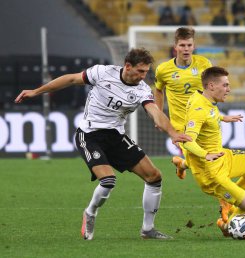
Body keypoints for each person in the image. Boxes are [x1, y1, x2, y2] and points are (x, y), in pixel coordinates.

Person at [14, 48, 191, 240]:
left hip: (116, 137)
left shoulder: (142, 90)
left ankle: (148, 230)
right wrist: (36, 91)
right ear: (128, 66)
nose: (143, 76)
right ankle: (90, 213)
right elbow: (71, 79)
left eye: (146, 71)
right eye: (140, 71)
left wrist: (173, 133)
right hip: (89, 135)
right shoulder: (102, 72)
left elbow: (156, 113)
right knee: (108, 181)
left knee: (154, 176)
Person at [182, 66, 245, 237]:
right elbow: (188, 141)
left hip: (223, 156)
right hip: (212, 172)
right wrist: (205, 154)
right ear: (211, 86)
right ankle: (226, 224)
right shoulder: (198, 108)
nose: (228, 89)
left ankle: (227, 201)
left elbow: (209, 115)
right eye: (225, 85)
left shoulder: (204, 98)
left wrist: (223, 118)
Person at [154, 27, 212, 180]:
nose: (186, 49)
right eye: (182, 45)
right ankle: (224, 201)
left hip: (203, 120)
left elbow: (212, 88)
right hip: (180, 125)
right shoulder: (163, 70)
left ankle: (182, 164)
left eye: (189, 45)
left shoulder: (204, 64)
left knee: (208, 160)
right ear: (175, 47)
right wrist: (158, 115)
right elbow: (158, 90)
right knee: (204, 164)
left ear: (193, 46)